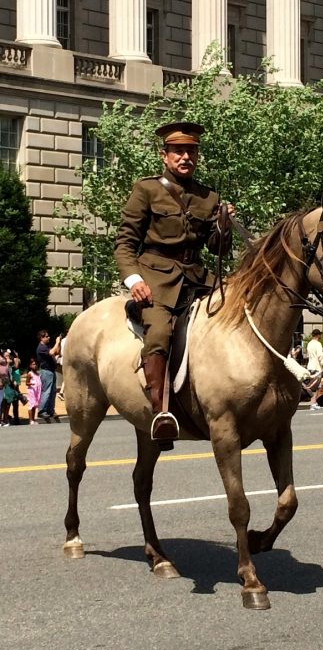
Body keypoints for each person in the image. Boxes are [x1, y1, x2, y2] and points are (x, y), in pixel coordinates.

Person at [114, 121, 234, 446]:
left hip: (198, 276)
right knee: (160, 332)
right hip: (156, 278)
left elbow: (218, 249)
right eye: (178, 151)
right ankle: (162, 413)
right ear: (165, 155)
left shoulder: (209, 197)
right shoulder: (147, 189)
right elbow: (125, 242)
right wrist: (134, 278)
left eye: (191, 151)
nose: (185, 157)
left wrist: (223, 227)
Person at [36, 330, 61, 423]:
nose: (48, 337)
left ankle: (50, 410)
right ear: (41, 338)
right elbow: (51, 353)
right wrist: (57, 342)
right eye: (46, 336)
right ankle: (42, 410)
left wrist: (59, 344)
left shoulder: (46, 347)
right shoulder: (41, 347)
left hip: (51, 371)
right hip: (46, 372)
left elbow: (57, 352)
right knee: (46, 391)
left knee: (53, 392)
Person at [26, 358, 42, 425]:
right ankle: (30, 420)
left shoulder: (38, 374)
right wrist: (31, 384)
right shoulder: (30, 374)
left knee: (35, 405)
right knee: (31, 405)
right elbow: (27, 383)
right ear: (30, 366)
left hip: (37, 392)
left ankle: (33, 419)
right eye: (33, 364)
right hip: (32, 391)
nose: (35, 366)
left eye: (35, 364)